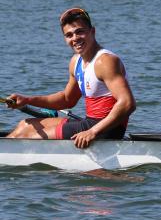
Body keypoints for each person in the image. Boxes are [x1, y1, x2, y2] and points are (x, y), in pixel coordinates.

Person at [6, 8, 135, 148]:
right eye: (69, 35)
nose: (75, 38)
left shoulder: (105, 61)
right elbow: (67, 99)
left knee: (25, 130)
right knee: (25, 124)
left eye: (80, 31)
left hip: (106, 130)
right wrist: (27, 100)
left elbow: (127, 103)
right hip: (90, 123)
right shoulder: (76, 62)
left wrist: (92, 132)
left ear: (92, 31)